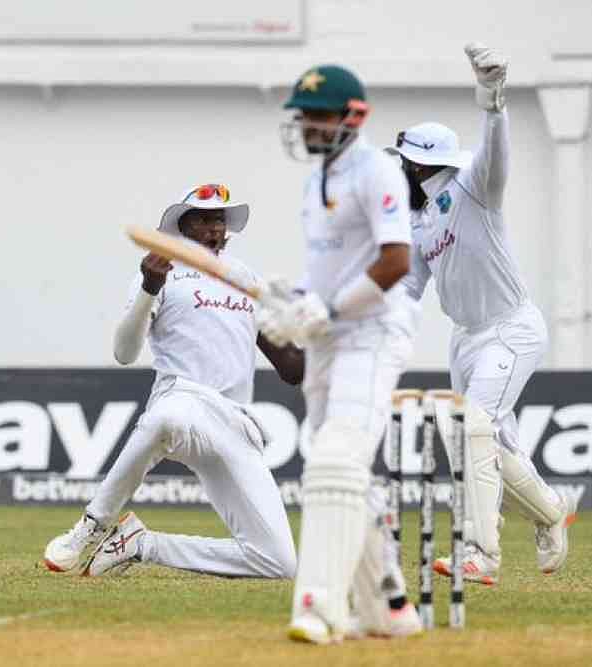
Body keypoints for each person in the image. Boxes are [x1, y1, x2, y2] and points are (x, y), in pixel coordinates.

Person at [44, 184, 301, 581]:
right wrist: (150, 287)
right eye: (202, 218)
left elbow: (292, 369)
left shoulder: (246, 278)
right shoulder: (162, 272)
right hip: (183, 397)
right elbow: (124, 353)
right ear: (183, 226)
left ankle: (141, 544)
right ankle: (91, 526)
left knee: (278, 562)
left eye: (219, 219)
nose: (213, 227)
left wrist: (315, 328)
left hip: (235, 422)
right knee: (167, 418)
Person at [391, 44, 576, 586]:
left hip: (511, 329)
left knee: (473, 425)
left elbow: (496, 155)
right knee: (486, 441)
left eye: (401, 162)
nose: (395, 170)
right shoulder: (419, 219)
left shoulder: (474, 186)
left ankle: (482, 554)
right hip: (466, 340)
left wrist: (492, 99)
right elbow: (408, 288)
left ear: (420, 164)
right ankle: (549, 512)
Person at [265, 64, 422, 643]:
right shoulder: (316, 180)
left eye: (319, 114)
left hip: (374, 331)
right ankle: (390, 608)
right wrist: (295, 302)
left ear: (353, 116)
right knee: (344, 469)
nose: (308, 124)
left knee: (335, 457)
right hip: (330, 338)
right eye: (303, 115)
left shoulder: (377, 170)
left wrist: (330, 310)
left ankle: (321, 607)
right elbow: (327, 271)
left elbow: (396, 261)